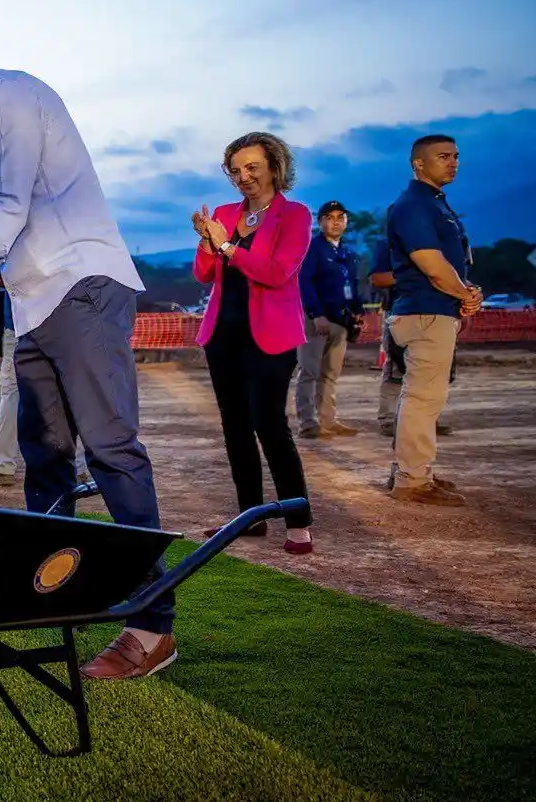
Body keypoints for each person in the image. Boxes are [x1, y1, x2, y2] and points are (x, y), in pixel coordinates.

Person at [0, 12, 173, 682]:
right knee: (45, 460)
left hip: (82, 288)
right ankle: (50, 602)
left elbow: (9, 207)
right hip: (36, 299)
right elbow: (16, 220)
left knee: (111, 449)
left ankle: (152, 627)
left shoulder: (10, 96)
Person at [190, 133, 315, 555]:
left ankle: (298, 521)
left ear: (274, 168)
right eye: (235, 170)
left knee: (270, 424)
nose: (242, 177)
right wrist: (209, 244)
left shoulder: (295, 216)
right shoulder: (225, 213)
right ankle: (250, 517)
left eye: (251, 168)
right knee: (235, 426)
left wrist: (225, 244)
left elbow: (277, 273)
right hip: (223, 335)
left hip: (272, 338)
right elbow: (204, 275)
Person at [382, 134, 480, 505]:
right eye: (443, 156)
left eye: (456, 156)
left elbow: (453, 267)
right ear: (418, 163)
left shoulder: (435, 204)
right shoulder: (413, 205)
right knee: (423, 400)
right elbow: (432, 266)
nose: (453, 162)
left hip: (433, 309)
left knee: (423, 399)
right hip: (424, 311)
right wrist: (464, 293)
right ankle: (411, 480)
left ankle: (415, 471)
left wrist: (470, 290)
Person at [0, 270, 90, 487]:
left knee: (12, 393)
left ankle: (4, 465)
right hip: (67, 324)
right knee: (72, 392)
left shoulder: (10, 239)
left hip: (20, 324)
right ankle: (79, 468)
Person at [370, 237, 455, 439]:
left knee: (432, 370)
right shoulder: (388, 243)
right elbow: (377, 278)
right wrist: (414, 275)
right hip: (400, 312)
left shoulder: (440, 244)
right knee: (396, 368)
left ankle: (426, 419)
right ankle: (389, 420)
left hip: (437, 311)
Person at [295, 200, 363, 438]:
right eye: (330, 217)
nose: (336, 222)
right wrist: (316, 314)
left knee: (330, 373)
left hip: (340, 321)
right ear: (321, 221)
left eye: (340, 218)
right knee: (309, 370)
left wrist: (358, 310)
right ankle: (308, 423)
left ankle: (328, 420)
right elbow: (304, 283)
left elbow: (352, 285)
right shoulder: (312, 249)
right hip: (317, 320)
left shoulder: (346, 252)